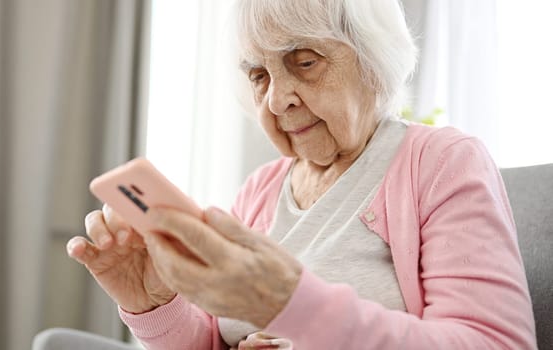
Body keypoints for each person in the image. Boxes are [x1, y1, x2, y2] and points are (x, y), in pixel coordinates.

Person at [64, 0, 537, 349]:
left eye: (304, 62)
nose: (276, 100)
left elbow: (495, 344)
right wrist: (154, 303)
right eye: (259, 75)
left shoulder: (440, 162)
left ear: (373, 60)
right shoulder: (260, 190)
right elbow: (212, 339)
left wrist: (290, 305)